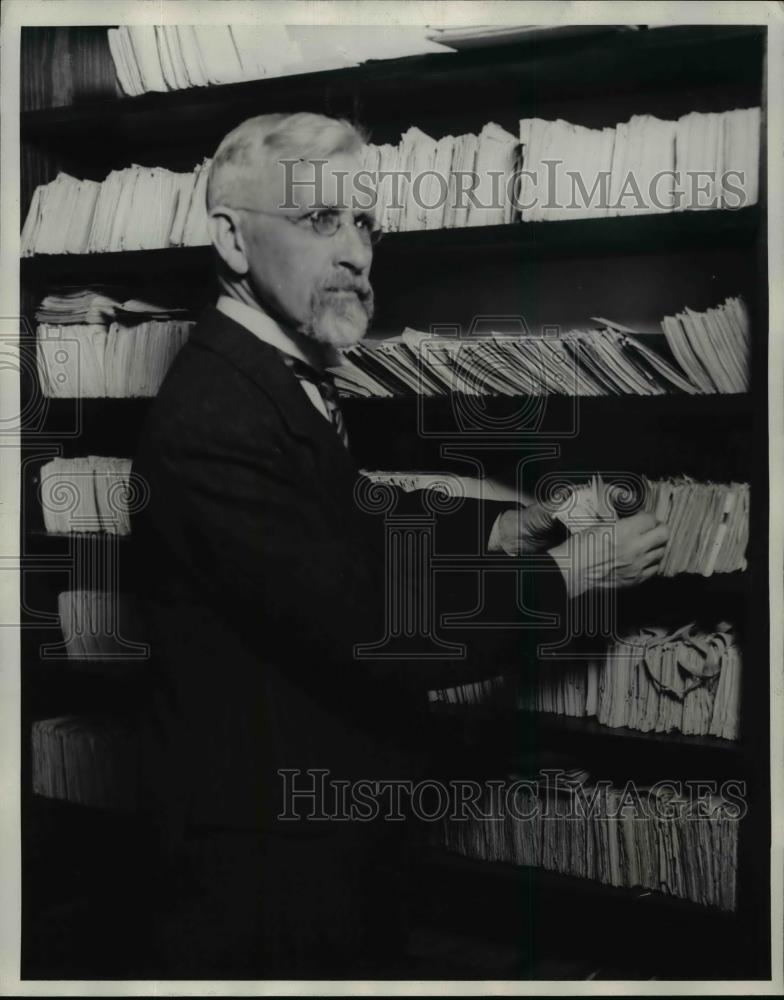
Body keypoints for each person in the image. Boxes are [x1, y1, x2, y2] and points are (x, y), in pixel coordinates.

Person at [130, 111, 668, 978]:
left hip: (320, 824)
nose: (354, 253)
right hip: (264, 857)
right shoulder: (213, 416)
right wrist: (568, 574)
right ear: (231, 239)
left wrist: (497, 525)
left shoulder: (269, 372)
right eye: (317, 220)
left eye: (364, 222)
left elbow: (343, 512)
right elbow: (372, 626)